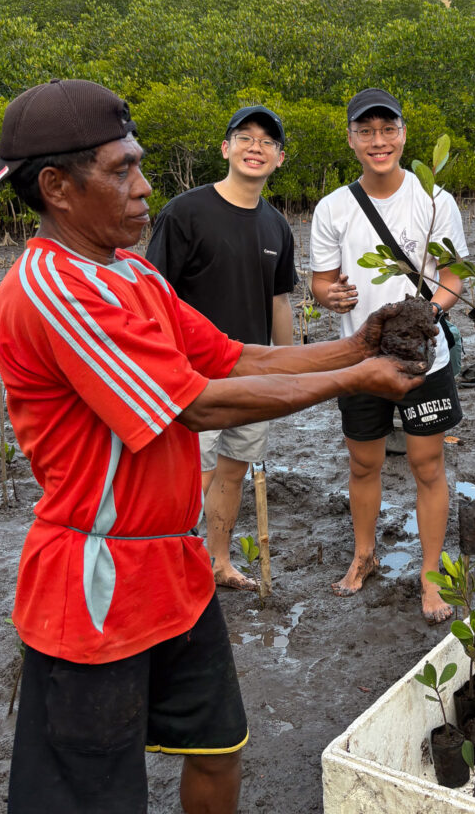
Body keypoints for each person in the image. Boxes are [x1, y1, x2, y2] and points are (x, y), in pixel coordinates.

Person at [0, 79, 425, 814]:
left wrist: (356, 345)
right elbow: (193, 404)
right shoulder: (51, 288)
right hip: (96, 579)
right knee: (94, 796)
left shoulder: (133, 274)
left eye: (138, 163)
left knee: (220, 748)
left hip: (174, 565)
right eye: (121, 169)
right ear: (57, 187)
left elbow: (233, 357)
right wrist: (360, 378)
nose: (143, 184)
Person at [309, 87, 467, 625]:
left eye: (388, 130)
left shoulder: (435, 202)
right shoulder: (332, 208)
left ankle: (430, 576)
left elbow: (453, 278)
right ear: (351, 139)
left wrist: (426, 315)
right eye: (366, 131)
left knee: (428, 464)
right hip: (359, 359)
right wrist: (328, 296)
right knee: (363, 462)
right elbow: (321, 283)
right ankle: (364, 555)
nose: (379, 141)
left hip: (426, 357)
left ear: (404, 134)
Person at [146, 105, 296, 591]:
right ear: (226, 148)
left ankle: (219, 563)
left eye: (267, 142)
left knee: (234, 472)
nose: (256, 147)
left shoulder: (277, 226)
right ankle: (172, 573)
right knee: (193, 479)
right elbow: (153, 297)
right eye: (245, 138)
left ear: (279, 159)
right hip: (193, 378)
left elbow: (278, 302)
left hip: (252, 377)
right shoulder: (185, 212)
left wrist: (287, 371)